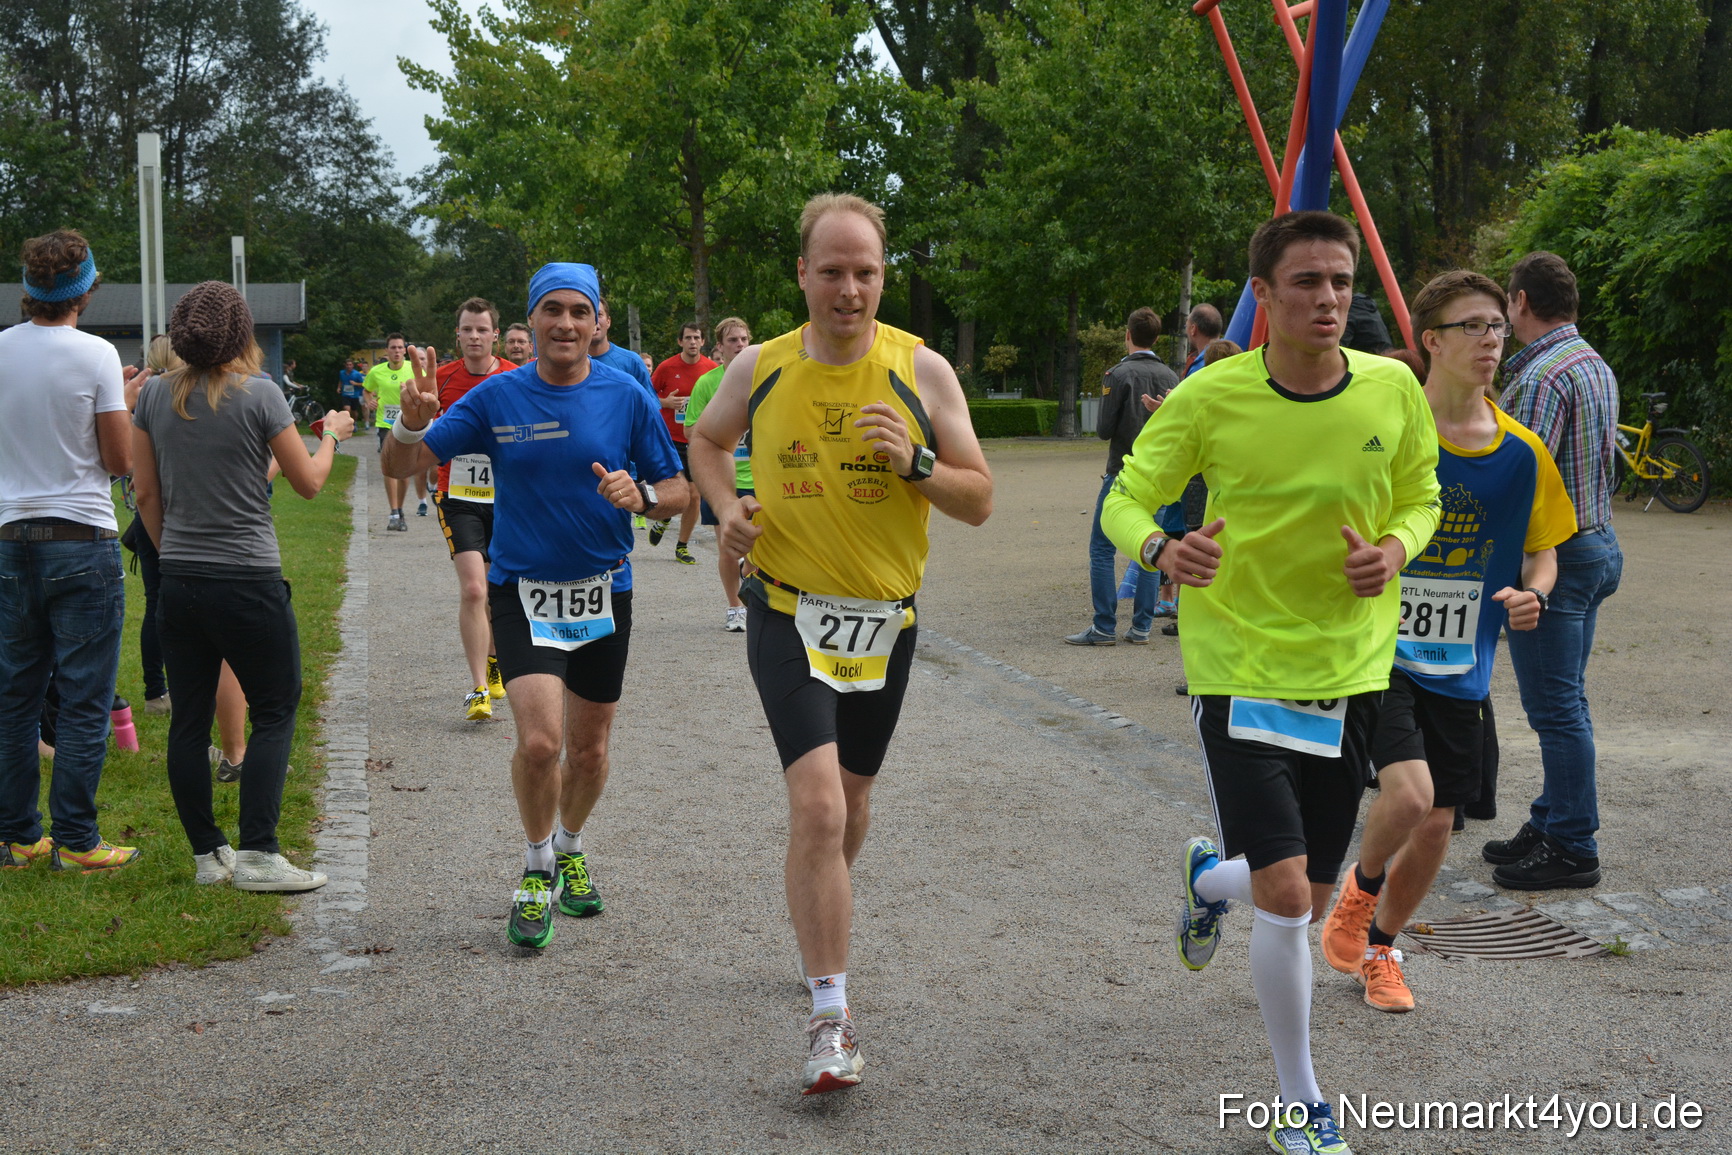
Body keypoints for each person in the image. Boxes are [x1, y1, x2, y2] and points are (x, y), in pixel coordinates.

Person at [1104, 210, 1441, 1155]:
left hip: (1354, 668)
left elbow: (1422, 493)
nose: (1329, 299)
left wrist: (1396, 548)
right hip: (1239, 665)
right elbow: (1125, 497)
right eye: (1307, 282)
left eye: (1341, 282)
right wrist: (1163, 547)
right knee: (1293, 895)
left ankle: (1211, 880)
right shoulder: (1212, 396)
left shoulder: (1390, 388)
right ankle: (1300, 1101)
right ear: (1263, 294)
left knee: (1297, 880)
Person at [690, 193, 993, 1096]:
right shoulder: (761, 366)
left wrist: (917, 462)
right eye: (832, 271)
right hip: (786, 609)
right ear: (802, 275)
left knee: (851, 808)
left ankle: (820, 914)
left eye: (865, 271)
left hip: (884, 623)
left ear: (882, 276)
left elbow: (979, 498)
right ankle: (831, 1016)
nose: (849, 289)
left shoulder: (923, 371)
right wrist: (725, 507)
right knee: (819, 808)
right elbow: (709, 443)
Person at [384, 262, 686, 949]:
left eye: (580, 311)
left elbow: (678, 490)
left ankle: (572, 845)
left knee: (589, 749)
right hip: (522, 590)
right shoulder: (498, 399)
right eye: (553, 310)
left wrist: (641, 496)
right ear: (534, 319)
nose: (566, 324)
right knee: (542, 741)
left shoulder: (627, 394)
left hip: (605, 589)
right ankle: (535, 864)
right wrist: (408, 427)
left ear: (598, 319)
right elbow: (401, 469)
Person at [1320, 270, 1573, 1013]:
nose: (1491, 339)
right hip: (1380, 646)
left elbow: (1544, 548)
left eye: (1497, 325)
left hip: (1463, 660)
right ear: (1431, 340)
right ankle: (1357, 895)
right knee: (1410, 793)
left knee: (1435, 825)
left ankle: (1382, 949)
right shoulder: (1386, 432)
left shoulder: (1522, 452)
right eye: (1472, 326)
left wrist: (1536, 592)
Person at [132, 280, 355, 889]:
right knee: (277, 708)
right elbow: (309, 481)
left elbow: (144, 492)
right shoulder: (260, 395)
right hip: (248, 578)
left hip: (179, 579)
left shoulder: (152, 398)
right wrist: (332, 432)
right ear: (243, 334)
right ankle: (259, 852)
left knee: (188, 720)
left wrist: (169, 551)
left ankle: (209, 855)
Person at [0, 229, 144, 873]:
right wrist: (128, 407)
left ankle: (16, 837)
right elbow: (118, 461)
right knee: (86, 698)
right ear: (85, 290)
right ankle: (78, 842)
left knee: (14, 697)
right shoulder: (97, 356)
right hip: (80, 538)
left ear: (29, 290)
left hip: (8, 537)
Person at [1482, 251, 1622, 890]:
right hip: (1596, 543)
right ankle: (1552, 817)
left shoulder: (1539, 378)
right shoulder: (1592, 362)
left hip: (1556, 558)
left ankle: (1572, 843)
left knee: (1556, 707)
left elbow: (1518, 478)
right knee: (1568, 699)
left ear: (1519, 303)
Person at [1065, 307, 1176, 646]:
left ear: (1128, 335)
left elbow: (1103, 430)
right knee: (1148, 547)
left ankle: (1103, 626)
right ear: (1157, 338)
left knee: (1101, 548)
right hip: (1156, 475)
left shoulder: (1117, 375)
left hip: (1121, 472)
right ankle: (1141, 626)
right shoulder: (1173, 378)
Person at [432, 298, 517, 720]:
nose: (474, 337)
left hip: (507, 500)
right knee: (473, 589)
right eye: (467, 329)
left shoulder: (516, 379)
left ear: (495, 335)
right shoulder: (442, 378)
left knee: (497, 589)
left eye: (482, 330)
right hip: (458, 497)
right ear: (458, 334)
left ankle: (495, 658)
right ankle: (478, 689)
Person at [682, 316, 753, 630]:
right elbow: (689, 430)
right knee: (727, 545)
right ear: (720, 349)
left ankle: (754, 594)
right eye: (733, 341)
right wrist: (722, 424)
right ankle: (735, 606)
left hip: (760, 476)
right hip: (721, 477)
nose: (739, 345)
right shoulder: (707, 384)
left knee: (762, 548)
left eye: (744, 340)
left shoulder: (764, 378)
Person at [649, 322, 716, 563]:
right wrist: (665, 403)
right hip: (671, 439)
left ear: (703, 341)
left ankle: (682, 546)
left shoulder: (711, 369)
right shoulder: (667, 367)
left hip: (698, 439)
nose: (692, 342)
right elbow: (646, 395)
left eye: (696, 337)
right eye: (688, 338)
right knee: (680, 491)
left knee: (695, 495)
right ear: (680, 342)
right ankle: (665, 517)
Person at [363, 334, 418, 530]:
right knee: (389, 467)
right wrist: (369, 400)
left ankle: (400, 509)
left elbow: (426, 390)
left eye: (400, 347)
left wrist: (411, 393)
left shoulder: (413, 368)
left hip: (408, 424)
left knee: (404, 472)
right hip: (385, 424)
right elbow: (367, 389)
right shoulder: (376, 371)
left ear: (405, 350)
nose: (396, 351)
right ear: (387, 351)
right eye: (393, 348)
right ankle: (393, 512)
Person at [588, 298, 656, 400]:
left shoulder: (632, 362)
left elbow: (650, 407)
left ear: (608, 321)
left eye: (599, 314)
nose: (594, 320)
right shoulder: (567, 364)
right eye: (587, 314)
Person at [1183, 303, 1224, 378]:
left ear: (1193, 329)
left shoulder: (1200, 367)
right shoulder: (1232, 356)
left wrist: (1180, 390)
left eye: (1186, 326)